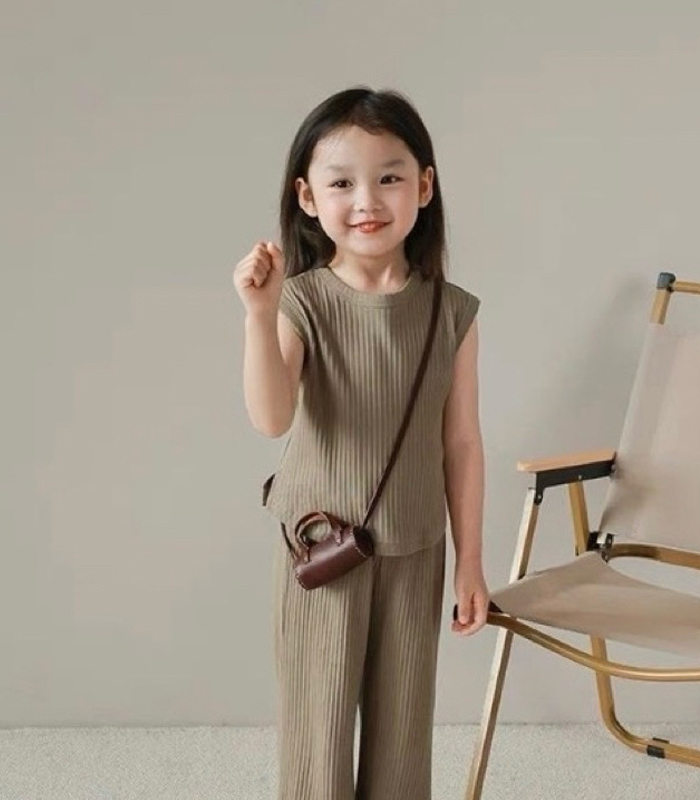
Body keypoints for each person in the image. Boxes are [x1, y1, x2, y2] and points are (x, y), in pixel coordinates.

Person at [232, 86, 489, 800]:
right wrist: (259, 315)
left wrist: (471, 561)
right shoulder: (302, 300)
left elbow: (463, 443)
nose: (367, 200)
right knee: (317, 739)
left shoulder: (452, 311)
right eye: (341, 182)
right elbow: (271, 418)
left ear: (424, 187)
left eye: (389, 177)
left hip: (416, 548)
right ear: (308, 198)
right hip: (322, 549)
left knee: (403, 741)